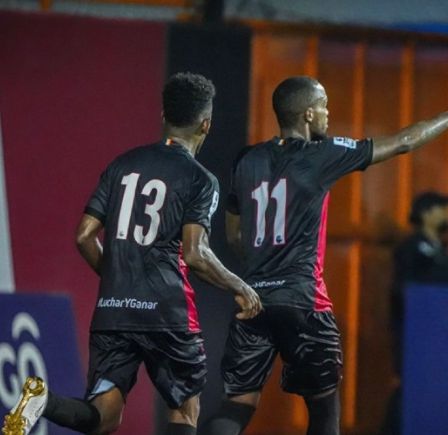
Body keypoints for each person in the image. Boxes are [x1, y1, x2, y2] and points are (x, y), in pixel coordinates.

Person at [200, 76, 448, 435]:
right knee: (324, 413)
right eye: (323, 105)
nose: (328, 112)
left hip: (253, 300)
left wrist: (262, 272)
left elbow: (234, 235)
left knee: (236, 406)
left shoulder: (247, 159)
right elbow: (403, 142)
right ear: (308, 115)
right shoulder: (322, 154)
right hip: (305, 302)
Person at [2, 72, 261, 435]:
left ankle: (44, 401)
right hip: (168, 314)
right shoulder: (201, 179)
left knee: (103, 417)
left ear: (163, 115)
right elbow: (195, 253)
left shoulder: (121, 165)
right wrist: (240, 286)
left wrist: (119, 279)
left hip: (114, 310)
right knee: (184, 410)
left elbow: (84, 236)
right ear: (206, 124)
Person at [379, 191, 448, 435]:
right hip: (417, 333)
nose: (446, 214)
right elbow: (414, 284)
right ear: (425, 214)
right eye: (441, 208)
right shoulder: (411, 247)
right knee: (410, 385)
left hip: (440, 335)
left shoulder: (442, 251)